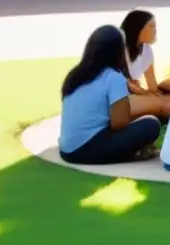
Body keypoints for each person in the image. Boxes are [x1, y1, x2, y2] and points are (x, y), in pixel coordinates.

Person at [58, 25, 161, 165]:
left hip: (66, 151)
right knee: (151, 123)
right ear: (118, 51)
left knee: (139, 121)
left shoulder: (75, 75)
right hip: (87, 150)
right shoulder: (113, 77)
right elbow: (119, 123)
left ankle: (135, 151)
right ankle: (135, 152)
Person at [119, 8, 170, 119]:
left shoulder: (146, 50)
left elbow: (152, 85)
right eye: (152, 26)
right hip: (111, 100)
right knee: (158, 104)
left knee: (165, 101)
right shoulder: (118, 46)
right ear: (138, 28)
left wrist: (150, 94)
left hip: (131, 97)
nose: (155, 31)